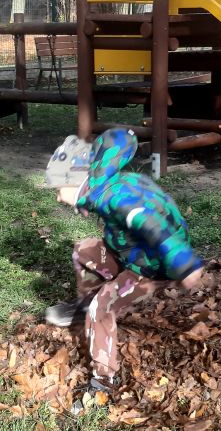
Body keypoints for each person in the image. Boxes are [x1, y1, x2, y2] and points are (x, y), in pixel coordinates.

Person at [44, 127, 204, 395]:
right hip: (130, 252)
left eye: (59, 188)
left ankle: (104, 380)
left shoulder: (117, 199)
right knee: (83, 251)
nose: (58, 196)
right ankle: (85, 308)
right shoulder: (105, 185)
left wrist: (184, 264)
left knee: (102, 307)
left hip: (152, 266)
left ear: (75, 182)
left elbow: (153, 226)